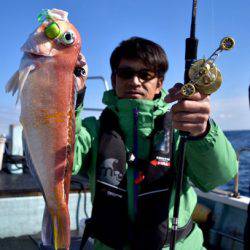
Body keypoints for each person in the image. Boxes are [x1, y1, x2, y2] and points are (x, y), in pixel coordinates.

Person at [73, 37, 238, 250]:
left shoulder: (182, 129)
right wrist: (69, 99)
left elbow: (218, 176)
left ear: (159, 83)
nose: (134, 81)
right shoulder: (92, 130)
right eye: (126, 73)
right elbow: (62, 163)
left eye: (145, 75)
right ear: (114, 79)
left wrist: (202, 132)